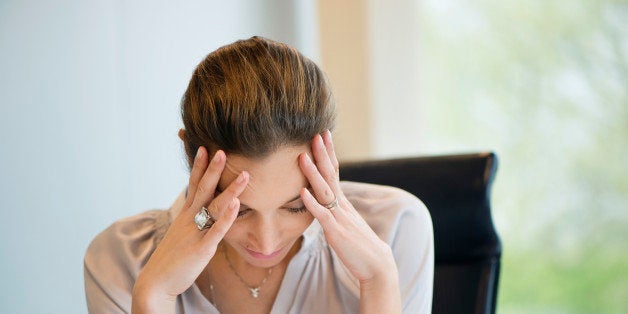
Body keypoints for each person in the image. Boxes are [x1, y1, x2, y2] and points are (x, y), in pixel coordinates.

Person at [84, 36, 434, 314]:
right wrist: (153, 298)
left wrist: (379, 280)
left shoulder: (395, 228)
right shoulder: (121, 260)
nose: (266, 244)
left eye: (297, 206)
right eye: (239, 210)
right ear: (194, 160)